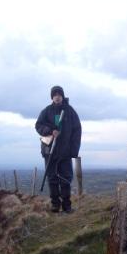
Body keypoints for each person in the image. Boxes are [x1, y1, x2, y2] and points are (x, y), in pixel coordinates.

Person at [35, 85, 82, 213]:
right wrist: (50, 130)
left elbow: (77, 130)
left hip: (65, 152)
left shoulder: (70, 111)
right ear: (52, 97)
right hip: (49, 151)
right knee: (52, 178)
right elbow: (38, 125)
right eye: (54, 94)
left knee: (66, 178)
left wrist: (73, 151)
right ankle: (55, 204)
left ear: (62, 96)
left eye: (59, 94)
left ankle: (67, 205)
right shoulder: (46, 111)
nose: (57, 96)